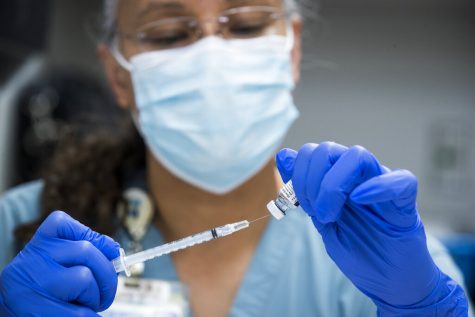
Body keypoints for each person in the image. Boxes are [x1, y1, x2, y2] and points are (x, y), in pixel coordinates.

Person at [0, 0, 472, 316]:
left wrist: (423, 309)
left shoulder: (383, 254)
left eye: (245, 26)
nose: (212, 57)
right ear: (118, 76)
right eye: (168, 34)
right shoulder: (20, 231)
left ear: (292, 48)